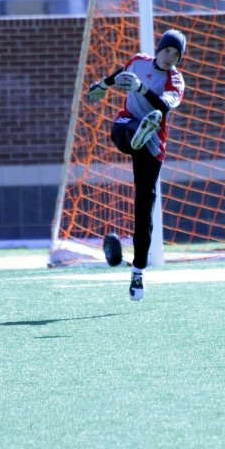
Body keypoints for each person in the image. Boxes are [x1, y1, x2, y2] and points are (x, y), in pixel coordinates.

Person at [84, 29, 186, 300]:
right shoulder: (139, 61)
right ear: (159, 48)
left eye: (176, 55)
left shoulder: (175, 80)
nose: (170, 58)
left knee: (144, 208)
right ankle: (137, 132)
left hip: (153, 145)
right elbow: (123, 73)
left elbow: (163, 107)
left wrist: (141, 88)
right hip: (128, 123)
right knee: (122, 129)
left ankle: (138, 272)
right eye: (167, 51)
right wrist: (104, 85)